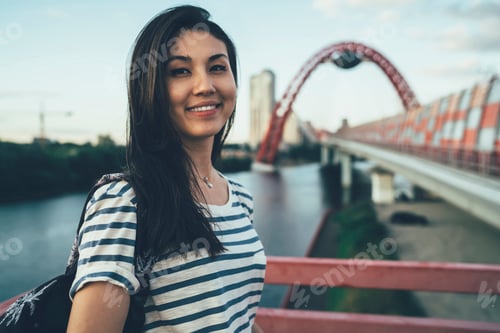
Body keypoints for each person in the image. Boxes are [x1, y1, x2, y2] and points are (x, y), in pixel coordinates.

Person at [67, 5, 266, 332]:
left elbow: (236, 316)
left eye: (217, 67)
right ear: (151, 89)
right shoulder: (125, 202)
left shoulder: (240, 198)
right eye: (180, 71)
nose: (205, 86)